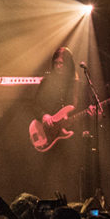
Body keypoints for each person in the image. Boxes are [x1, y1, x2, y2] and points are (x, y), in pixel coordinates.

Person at [33, 46, 95, 199]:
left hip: (70, 138)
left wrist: (91, 114)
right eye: (56, 63)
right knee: (49, 175)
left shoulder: (77, 85)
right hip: (49, 135)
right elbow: (34, 105)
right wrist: (44, 116)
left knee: (70, 174)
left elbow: (82, 108)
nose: (59, 66)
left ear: (69, 65)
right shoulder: (47, 82)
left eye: (62, 63)